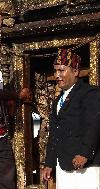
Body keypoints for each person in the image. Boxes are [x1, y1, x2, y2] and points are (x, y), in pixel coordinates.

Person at [42, 49, 100, 189]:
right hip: (63, 165)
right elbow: (54, 134)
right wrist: (49, 163)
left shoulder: (89, 93)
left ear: (75, 71)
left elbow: (94, 124)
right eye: (55, 71)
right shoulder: (57, 101)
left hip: (86, 165)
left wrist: (84, 154)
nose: (57, 75)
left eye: (61, 70)